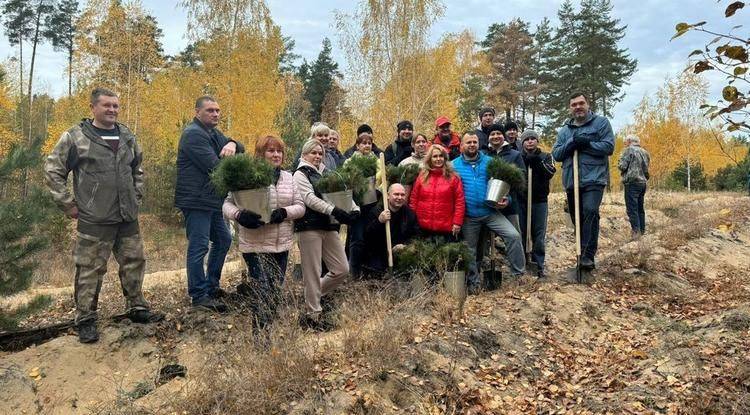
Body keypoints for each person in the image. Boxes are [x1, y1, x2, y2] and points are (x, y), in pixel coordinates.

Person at [44, 87, 164, 343]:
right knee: (89, 269)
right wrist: (68, 204)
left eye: (115, 106)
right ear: (93, 107)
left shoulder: (127, 136)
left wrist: (136, 197)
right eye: (106, 105)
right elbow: (53, 171)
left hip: (126, 216)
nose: (112, 110)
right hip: (94, 218)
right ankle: (85, 318)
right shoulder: (76, 137)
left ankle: (137, 307)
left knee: (134, 261)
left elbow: (138, 170)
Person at [222, 135, 305, 328]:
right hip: (255, 245)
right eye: (271, 151)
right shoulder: (247, 176)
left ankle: (267, 331)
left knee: (275, 291)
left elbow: (300, 206)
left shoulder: (289, 178)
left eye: (279, 151)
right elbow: (226, 204)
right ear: (260, 154)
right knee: (263, 289)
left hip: (281, 246)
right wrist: (239, 215)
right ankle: (260, 337)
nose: (276, 155)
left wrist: (284, 213)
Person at [175, 96, 244, 312]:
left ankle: (211, 286)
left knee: (223, 239)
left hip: (211, 200)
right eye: (210, 110)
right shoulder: (193, 135)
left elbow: (239, 147)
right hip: (196, 201)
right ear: (197, 112)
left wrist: (232, 143)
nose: (215, 114)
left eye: (218, 110)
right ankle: (199, 295)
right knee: (199, 246)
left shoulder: (212, 133)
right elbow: (216, 167)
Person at [293, 139, 360, 330]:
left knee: (341, 269)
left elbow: (343, 191)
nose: (317, 156)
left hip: (330, 227)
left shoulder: (329, 173)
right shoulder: (300, 174)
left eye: (320, 153)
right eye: (313, 153)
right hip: (309, 227)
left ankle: (311, 296)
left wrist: (354, 209)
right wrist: (334, 210)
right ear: (305, 154)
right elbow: (309, 199)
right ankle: (312, 316)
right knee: (312, 272)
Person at [452, 132, 525, 293]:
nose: (472, 145)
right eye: (468, 142)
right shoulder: (453, 166)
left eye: (475, 142)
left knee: (513, 235)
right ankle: (474, 283)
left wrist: (506, 201)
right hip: (468, 216)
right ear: (461, 146)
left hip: (490, 212)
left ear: (479, 144)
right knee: (470, 250)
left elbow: (505, 187)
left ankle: (518, 275)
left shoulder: (491, 162)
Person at [552, 92, 615, 270]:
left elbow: (609, 146)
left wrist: (588, 144)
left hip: (594, 178)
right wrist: (571, 143)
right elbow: (556, 154)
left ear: (588, 104)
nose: (578, 107)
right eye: (574, 105)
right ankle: (580, 253)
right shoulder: (565, 131)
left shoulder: (601, 123)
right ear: (570, 108)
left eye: (581, 103)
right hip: (572, 180)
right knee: (577, 219)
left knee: (590, 211)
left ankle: (588, 255)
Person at [519, 129, 556, 279]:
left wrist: (537, 162)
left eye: (533, 138)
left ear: (537, 141)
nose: (530, 141)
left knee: (539, 235)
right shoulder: (518, 157)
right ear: (522, 142)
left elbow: (550, 172)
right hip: (522, 201)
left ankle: (538, 265)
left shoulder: (546, 156)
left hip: (539, 201)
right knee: (521, 233)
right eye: (527, 139)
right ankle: (522, 264)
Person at [343, 128, 380, 277]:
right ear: (357, 145)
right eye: (363, 143)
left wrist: (376, 185)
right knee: (356, 239)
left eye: (369, 143)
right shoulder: (350, 161)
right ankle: (353, 272)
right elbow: (345, 179)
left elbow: (382, 176)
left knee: (370, 236)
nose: (367, 146)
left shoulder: (376, 161)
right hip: (356, 204)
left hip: (372, 204)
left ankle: (368, 270)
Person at [409, 144, 465, 242]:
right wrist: (412, 220)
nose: (438, 159)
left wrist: (457, 222)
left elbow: (459, 202)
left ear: (445, 158)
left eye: (441, 156)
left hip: (446, 228)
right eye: (435, 156)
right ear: (430, 159)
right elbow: (414, 199)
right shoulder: (422, 176)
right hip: (423, 227)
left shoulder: (453, 178)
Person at [362, 184, 420, 276]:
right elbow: (367, 236)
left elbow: (416, 235)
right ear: (388, 195)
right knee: (376, 272)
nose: (399, 197)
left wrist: (406, 246)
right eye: (396, 194)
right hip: (379, 253)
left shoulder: (409, 214)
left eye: (402, 195)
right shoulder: (377, 211)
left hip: (401, 252)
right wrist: (379, 221)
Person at [484, 123, 526, 232]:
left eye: (498, 133)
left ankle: (517, 250)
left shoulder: (515, 155)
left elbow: (522, 176)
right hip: (488, 204)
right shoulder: (484, 155)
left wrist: (507, 193)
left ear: (504, 136)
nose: (495, 136)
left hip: (510, 205)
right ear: (488, 137)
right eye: (492, 134)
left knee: (514, 236)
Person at [617, 134, 650, 239]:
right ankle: (642, 230)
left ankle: (636, 232)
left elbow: (622, 166)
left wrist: (619, 162)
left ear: (630, 141)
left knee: (632, 209)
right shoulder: (645, 152)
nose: (624, 144)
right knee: (640, 207)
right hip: (642, 183)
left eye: (625, 141)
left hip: (632, 182)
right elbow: (646, 168)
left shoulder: (628, 151)